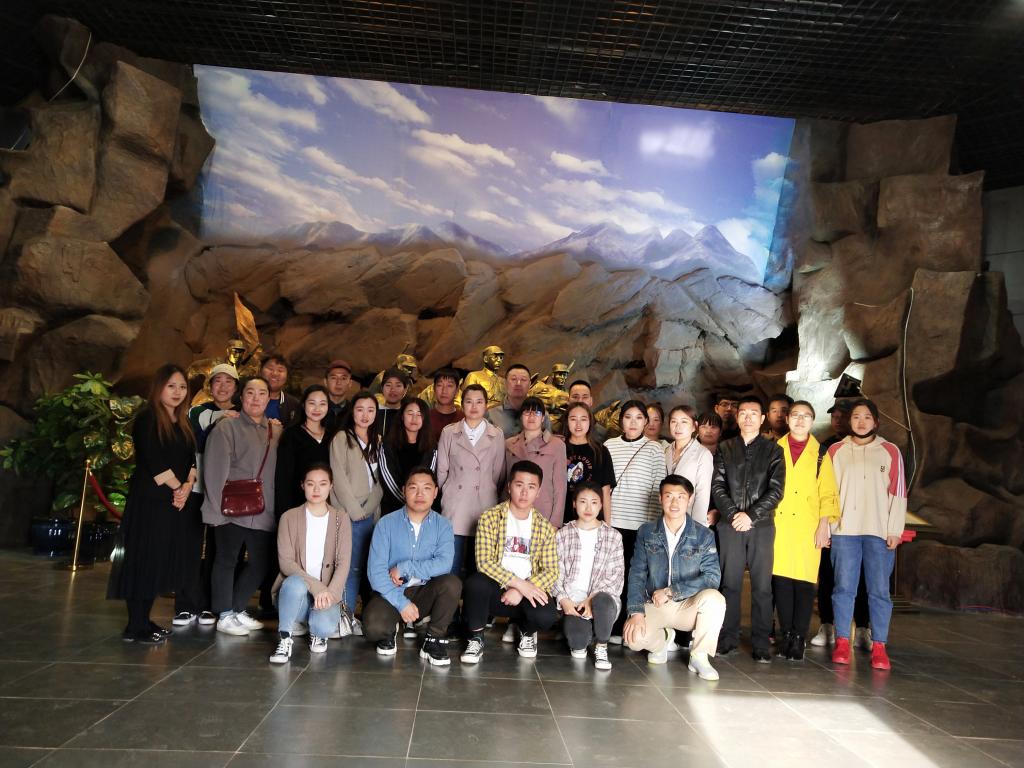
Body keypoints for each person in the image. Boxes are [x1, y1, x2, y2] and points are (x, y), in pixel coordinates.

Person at [111, 364, 196, 643]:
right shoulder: (147, 418)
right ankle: (135, 625)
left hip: (173, 503)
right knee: (143, 560)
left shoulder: (183, 421)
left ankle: (143, 620)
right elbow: (153, 461)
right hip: (150, 502)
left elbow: (192, 459)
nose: (177, 392)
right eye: (171, 386)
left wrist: (187, 486)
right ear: (159, 387)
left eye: (182, 387)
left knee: (158, 561)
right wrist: (178, 488)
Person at [827, 398, 906, 671]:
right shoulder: (836, 451)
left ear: (876, 421)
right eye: (856, 417)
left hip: (879, 532)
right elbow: (828, 492)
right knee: (843, 589)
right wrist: (827, 526)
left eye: (867, 417)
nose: (861, 422)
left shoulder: (890, 451)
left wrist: (894, 530)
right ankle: (841, 641)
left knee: (879, 591)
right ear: (849, 421)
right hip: (844, 531)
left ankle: (880, 645)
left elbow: (898, 493)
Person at [623, 475, 725, 680]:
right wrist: (636, 612)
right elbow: (637, 574)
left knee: (715, 600)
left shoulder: (704, 535)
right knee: (633, 639)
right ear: (660, 498)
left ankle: (699, 656)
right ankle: (663, 641)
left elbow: (712, 577)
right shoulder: (647, 532)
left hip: (687, 605)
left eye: (681, 496)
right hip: (655, 603)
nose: (674, 502)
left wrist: (671, 591)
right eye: (669, 496)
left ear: (690, 499)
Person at [202, 376, 280, 636]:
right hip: (231, 508)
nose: (256, 398)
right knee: (226, 559)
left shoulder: (275, 430)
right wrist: (215, 510)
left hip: (263, 508)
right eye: (250, 392)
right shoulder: (227, 427)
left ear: (269, 398)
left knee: (261, 563)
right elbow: (214, 470)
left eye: (262, 393)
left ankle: (236, 608)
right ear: (242, 396)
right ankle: (224, 614)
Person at [460, 460, 559, 664]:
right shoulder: (489, 517)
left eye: (531, 487)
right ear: (509, 486)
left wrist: (523, 589)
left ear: (538, 492)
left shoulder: (545, 527)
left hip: (526, 594)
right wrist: (517, 584)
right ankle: (476, 638)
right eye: (519, 485)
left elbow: (551, 571)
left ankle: (526, 631)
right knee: (475, 584)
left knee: (546, 614)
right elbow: (484, 562)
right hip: (496, 591)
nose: (524, 492)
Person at [711, 395, 785, 661]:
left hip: (761, 525)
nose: (748, 417)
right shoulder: (725, 447)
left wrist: (751, 516)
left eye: (754, 413)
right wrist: (734, 515)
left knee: (762, 586)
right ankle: (728, 638)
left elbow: (776, 491)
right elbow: (718, 486)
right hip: (730, 525)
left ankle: (761, 642)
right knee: (729, 584)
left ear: (762, 418)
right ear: (737, 416)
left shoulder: (774, 450)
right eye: (743, 412)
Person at [362, 467, 461, 665]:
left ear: (435, 492)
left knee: (451, 583)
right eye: (413, 488)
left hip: (425, 591)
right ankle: (391, 628)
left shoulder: (443, 525)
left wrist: (405, 567)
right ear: (403, 490)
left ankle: (433, 638)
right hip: (391, 592)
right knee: (373, 628)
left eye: (426, 488)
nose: (420, 494)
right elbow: (375, 572)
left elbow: (444, 564)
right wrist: (402, 603)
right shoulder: (386, 524)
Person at [772, 401, 839, 661]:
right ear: (787, 419)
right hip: (779, 525)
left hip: (808, 527)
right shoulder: (774, 449)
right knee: (781, 582)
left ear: (812, 421)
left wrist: (824, 525)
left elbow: (828, 493)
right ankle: (786, 634)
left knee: (804, 583)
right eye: (796, 415)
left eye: (806, 416)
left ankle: (799, 636)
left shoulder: (821, 453)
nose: (800, 420)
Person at [174, 362, 239, 627]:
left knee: (217, 549)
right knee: (189, 545)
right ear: (210, 386)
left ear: (236, 386)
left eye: (228, 381)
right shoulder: (197, 411)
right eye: (217, 381)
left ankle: (210, 605)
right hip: (196, 486)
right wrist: (219, 422)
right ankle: (185, 605)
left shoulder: (242, 412)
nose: (222, 386)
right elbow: (193, 442)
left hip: (225, 489)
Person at [269, 463, 351, 663]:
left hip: (327, 595)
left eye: (322, 484)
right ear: (302, 485)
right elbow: (286, 563)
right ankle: (285, 638)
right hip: (295, 595)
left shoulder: (341, 518)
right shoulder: (289, 517)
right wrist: (316, 588)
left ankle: (313, 629)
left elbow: (343, 563)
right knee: (294, 582)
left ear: (331, 486)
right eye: (310, 484)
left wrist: (329, 594)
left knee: (322, 627)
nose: (316, 489)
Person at [811, 398, 870, 648]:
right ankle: (827, 624)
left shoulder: (873, 447)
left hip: (862, 524)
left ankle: (863, 627)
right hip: (833, 523)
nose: (837, 420)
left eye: (842, 416)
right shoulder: (826, 447)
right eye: (834, 416)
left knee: (862, 577)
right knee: (828, 575)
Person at [604, 400, 666, 638]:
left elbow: (657, 488)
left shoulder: (654, 449)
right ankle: (610, 625)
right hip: (613, 523)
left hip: (640, 525)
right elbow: (604, 488)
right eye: (628, 417)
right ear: (621, 420)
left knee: (635, 575)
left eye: (639, 418)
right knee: (612, 575)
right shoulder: (609, 445)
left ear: (646, 422)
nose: (633, 422)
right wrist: (605, 521)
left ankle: (628, 625)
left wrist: (652, 527)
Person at [436, 384, 506, 578]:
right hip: (455, 503)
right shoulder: (449, 432)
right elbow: (442, 470)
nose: (474, 407)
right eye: (469, 401)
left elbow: (498, 473)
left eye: (479, 402)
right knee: (451, 566)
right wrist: (449, 492)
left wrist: (485, 489)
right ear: (462, 404)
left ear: (486, 405)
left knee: (479, 568)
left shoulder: (497, 434)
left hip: (484, 503)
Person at [553, 482, 624, 670]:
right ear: (574, 503)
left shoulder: (613, 536)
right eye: (583, 501)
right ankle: (588, 632)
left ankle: (602, 645)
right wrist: (564, 600)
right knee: (577, 643)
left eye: (594, 502)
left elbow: (615, 577)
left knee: (602, 601)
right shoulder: (563, 535)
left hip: (601, 600)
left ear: (601, 505)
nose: (588, 508)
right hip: (573, 601)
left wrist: (591, 600)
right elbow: (555, 572)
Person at [329, 390, 383, 632]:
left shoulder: (378, 440)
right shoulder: (342, 438)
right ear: (352, 412)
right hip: (347, 513)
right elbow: (337, 477)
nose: (365, 415)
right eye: (360, 409)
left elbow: (382, 480)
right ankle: (344, 618)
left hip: (370, 514)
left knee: (363, 567)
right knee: (347, 568)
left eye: (370, 410)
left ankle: (350, 616)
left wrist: (368, 509)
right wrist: (354, 510)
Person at [505, 396, 567, 528]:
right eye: (527, 412)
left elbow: (560, 488)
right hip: (512, 512)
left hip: (543, 513)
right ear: (521, 416)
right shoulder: (509, 444)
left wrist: (555, 523)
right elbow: (503, 481)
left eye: (537, 413)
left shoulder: (557, 445)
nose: (532, 417)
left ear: (543, 418)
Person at [274, 385, 334, 518]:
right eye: (312, 403)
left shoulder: (332, 436)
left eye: (322, 404)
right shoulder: (291, 435)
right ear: (303, 404)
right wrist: (284, 514)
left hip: (325, 508)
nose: (317, 409)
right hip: (296, 506)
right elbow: (283, 478)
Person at [380, 397, 437, 515]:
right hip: (393, 508)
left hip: (421, 507)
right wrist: (409, 501)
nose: (414, 419)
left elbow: (429, 476)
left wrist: (417, 502)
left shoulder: (431, 445)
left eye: (419, 414)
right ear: (402, 416)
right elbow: (387, 477)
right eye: (410, 413)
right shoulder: (388, 443)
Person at [561, 402, 615, 525]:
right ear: (567, 422)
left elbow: (606, 491)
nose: (578, 424)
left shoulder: (600, 451)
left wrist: (607, 524)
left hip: (593, 519)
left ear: (590, 422)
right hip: (563, 517)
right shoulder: (558, 448)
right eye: (573, 419)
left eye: (583, 419)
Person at [665, 405, 714, 526]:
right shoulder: (665, 450)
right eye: (674, 422)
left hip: (688, 519)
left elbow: (702, 494)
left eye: (684, 422)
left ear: (694, 426)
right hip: (664, 518)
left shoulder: (703, 454)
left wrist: (697, 526)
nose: (678, 426)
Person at [486, 363, 536, 437]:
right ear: (505, 383)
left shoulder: (540, 413)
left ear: (530, 384)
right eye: (513, 379)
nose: (518, 383)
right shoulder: (490, 413)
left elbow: (549, 442)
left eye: (523, 379)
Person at [261, 354, 300, 427]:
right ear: (260, 371)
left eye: (280, 370)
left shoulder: (294, 405)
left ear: (287, 377)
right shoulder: (245, 399)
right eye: (270, 368)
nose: (275, 373)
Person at [428, 368, 463, 443]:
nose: (444, 391)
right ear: (434, 388)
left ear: (457, 390)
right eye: (440, 385)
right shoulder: (425, 418)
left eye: (449, 386)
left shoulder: (463, 420)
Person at [374, 369, 408, 438]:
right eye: (388, 385)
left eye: (398, 385)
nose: (393, 389)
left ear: (405, 390)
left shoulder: (408, 415)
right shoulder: (373, 413)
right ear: (382, 388)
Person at [324, 359, 353, 431]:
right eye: (333, 378)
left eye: (343, 378)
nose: (338, 382)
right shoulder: (315, 410)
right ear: (325, 382)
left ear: (350, 383)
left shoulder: (354, 411)